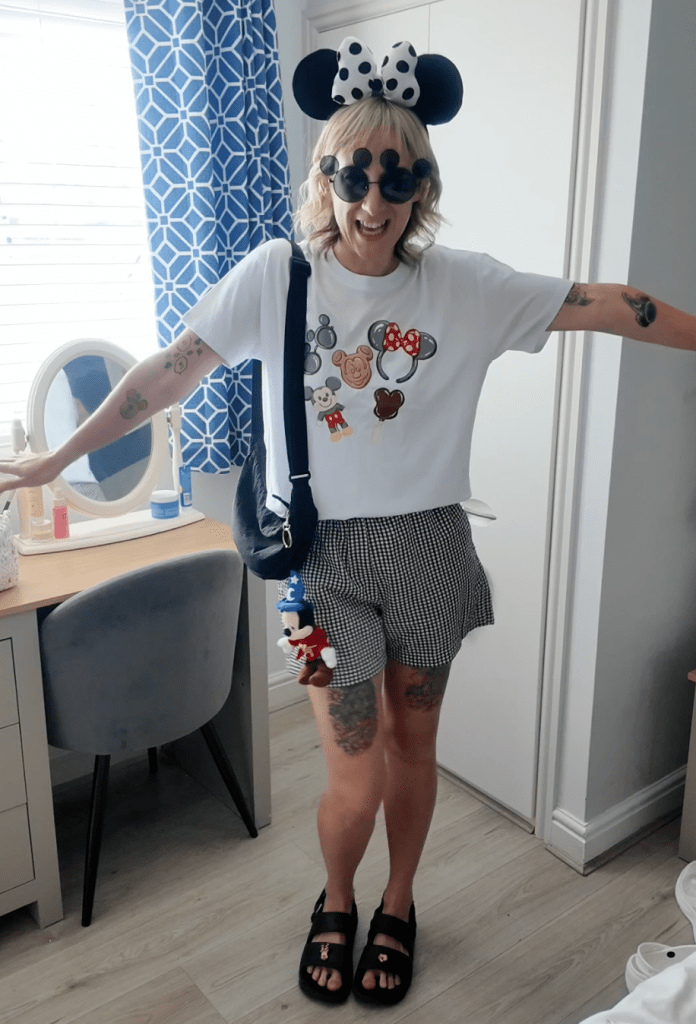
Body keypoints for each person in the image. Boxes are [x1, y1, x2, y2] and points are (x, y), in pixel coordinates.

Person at [2, 35, 696, 1009]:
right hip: (320, 565)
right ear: (324, 176)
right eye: (354, 174)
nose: (374, 202)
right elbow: (167, 373)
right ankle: (338, 897)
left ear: (422, 186)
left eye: (397, 177)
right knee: (355, 777)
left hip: (431, 552)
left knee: (413, 752)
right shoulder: (274, 276)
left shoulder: (467, 285)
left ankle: (398, 902)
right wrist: (56, 460)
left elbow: (608, 304)